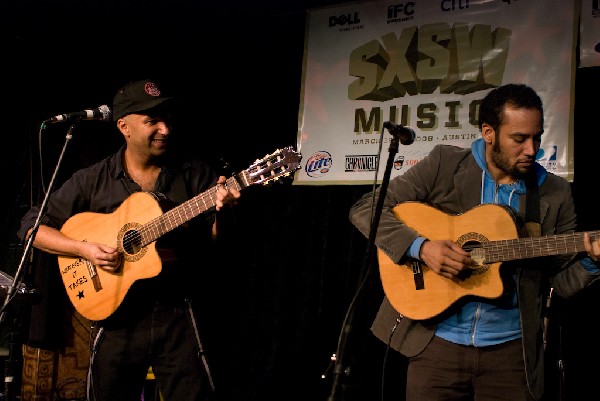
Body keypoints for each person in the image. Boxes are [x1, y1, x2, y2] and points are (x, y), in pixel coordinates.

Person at [349, 83, 600, 401]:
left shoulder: (554, 192)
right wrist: (421, 247)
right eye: (519, 139)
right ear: (489, 132)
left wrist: (592, 262)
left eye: (537, 137)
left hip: (511, 357)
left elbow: (561, 283)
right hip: (435, 346)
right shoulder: (445, 164)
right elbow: (365, 209)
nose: (532, 149)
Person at [17, 78, 241, 401]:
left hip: (176, 313)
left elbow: (219, 241)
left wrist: (223, 211)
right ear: (124, 126)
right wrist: (84, 249)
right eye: (152, 121)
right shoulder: (94, 179)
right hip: (116, 317)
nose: (165, 129)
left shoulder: (194, 174)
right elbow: (31, 228)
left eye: (167, 119)